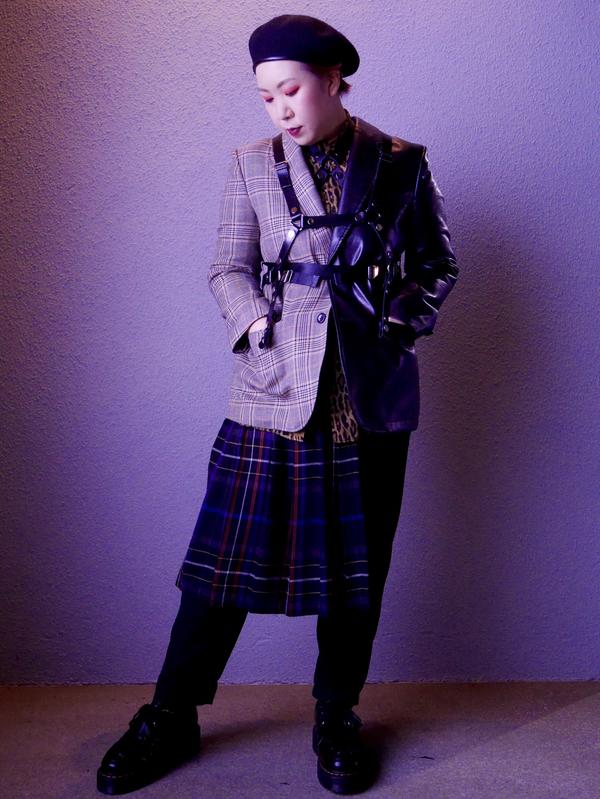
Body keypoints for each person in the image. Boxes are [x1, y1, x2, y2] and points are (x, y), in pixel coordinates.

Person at [96, 13, 458, 796]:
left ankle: (336, 713)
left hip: (369, 398)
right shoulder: (251, 165)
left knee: (358, 576)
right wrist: (256, 323)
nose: (280, 108)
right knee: (218, 569)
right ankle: (169, 713)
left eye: (290, 89)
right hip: (272, 389)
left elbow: (437, 263)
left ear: (332, 79)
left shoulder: (403, 163)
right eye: (266, 97)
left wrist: (396, 324)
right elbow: (226, 266)